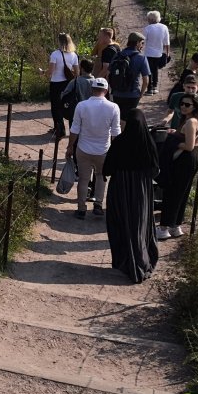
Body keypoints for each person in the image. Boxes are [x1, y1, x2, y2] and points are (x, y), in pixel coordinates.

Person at [102, 109, 161, 283]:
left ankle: (124, 261)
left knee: (121, 223)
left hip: (120, 188)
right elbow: (155, 170)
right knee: (139, 225)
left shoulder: (120, 142)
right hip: (141, 190)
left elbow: (108, 168)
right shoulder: (148, 142)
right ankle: (141, 260)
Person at [65, 77, 120, 219]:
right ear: (106, 90)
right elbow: (115, 133)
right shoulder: (113, 107)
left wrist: (70, 146)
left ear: (92, 89)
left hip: (83, 148)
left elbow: (74, 129)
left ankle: (81, 209)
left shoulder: (82, 106)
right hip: (103, 149)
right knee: (101, 177)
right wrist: (116, 151)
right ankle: (98, 205)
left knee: (83, 179)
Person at [156, 95, 198, 239]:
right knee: (182, 193)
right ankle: (176, 226)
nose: (183, 106)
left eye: (187, 105)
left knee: (172, 193)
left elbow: (188, 146)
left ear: (194, 106)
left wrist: (173, 142)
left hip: (184, 160)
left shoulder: (190, 123)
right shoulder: (197, 121)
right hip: (193, 158)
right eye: (182, 104)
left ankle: (164, 228)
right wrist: (175, 133)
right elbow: (195, 142)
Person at [107, 32, 150, 116]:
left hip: (117, 93)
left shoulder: (118, 55)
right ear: (137, 43)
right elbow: (146, 80)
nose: (142, 46)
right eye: (142, 43)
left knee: (118, 116)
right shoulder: (141, 57)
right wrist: (141, 94)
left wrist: (112, 89)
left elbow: (108, 74)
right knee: (129, 117)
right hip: (133, 94)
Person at [47, 33, 79, 140]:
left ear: (59, 42)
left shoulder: (55, 54)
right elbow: (77, 72)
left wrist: (43, 72)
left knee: (56, 107)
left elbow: (51, 71)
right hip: (68, 83)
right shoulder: (74, 55)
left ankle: (59, 129)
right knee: (67, 105)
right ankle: (69, 129)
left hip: (56, 83)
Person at [142, 11, 171, 96]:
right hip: (159, 53)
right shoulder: (164, 27)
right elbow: (167, 42)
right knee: (155, 70)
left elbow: (143, 41)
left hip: (148, 53)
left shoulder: (148, 28)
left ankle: (149, 89)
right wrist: (167, 53)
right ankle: (155, 87)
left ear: (151, 19)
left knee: (149, 71)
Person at [61, 58, 96, 123]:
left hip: (76, 111)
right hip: (92, 112)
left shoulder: (75, 82)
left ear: (82, 69)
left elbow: (65, 94)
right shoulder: (96, 82)